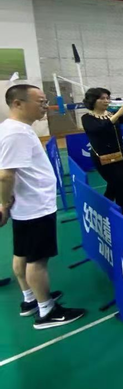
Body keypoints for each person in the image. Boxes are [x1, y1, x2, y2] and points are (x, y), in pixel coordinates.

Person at [0, 85, 86, 329]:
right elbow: (5, 175)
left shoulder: (13, 128)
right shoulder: (16, 133)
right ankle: (46, 311)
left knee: (22, 253)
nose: (45, 106)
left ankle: (30, 299)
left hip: (27, 205)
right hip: (34, 208)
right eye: (40, 101)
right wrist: (3, 204)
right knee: (36, 261)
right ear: (17, 103)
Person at [81, 88, 123, 219]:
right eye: (102, 98)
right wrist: (117, 115)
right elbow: (98, 129)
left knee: (113, 185)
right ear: (93, 101)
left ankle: (105, 209)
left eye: (107, 98)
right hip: (104, 159)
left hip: (121, 157)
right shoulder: (87, 118)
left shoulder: (111, 114)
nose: (106, 101)